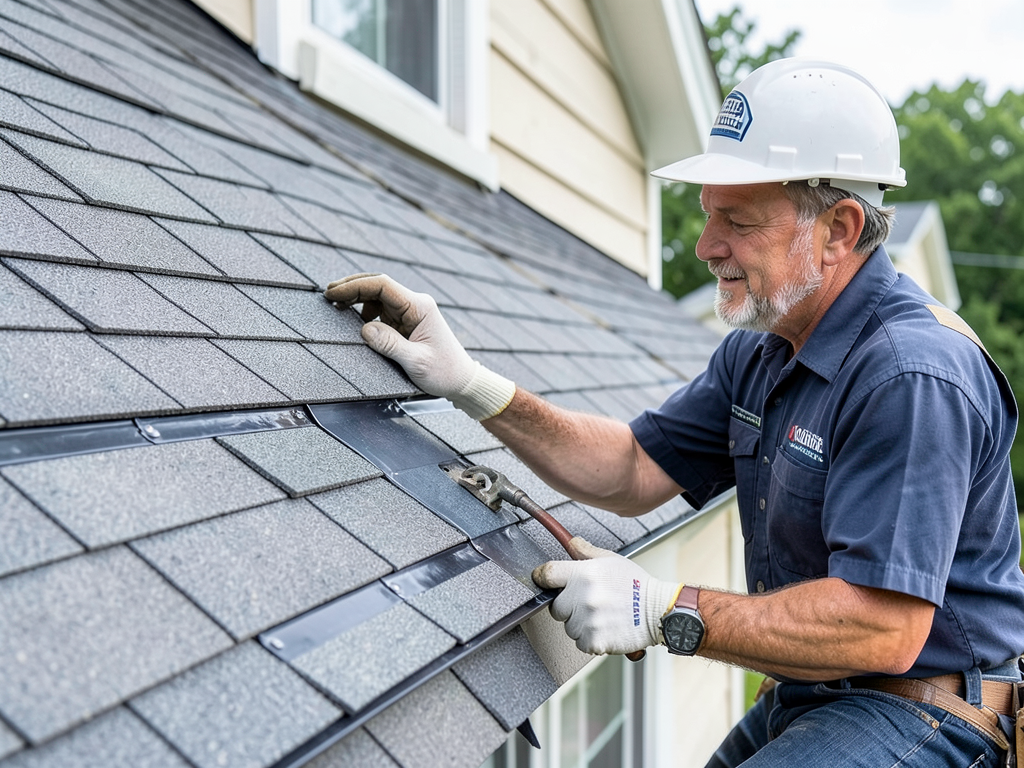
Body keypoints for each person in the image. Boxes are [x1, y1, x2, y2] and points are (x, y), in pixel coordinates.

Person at [325, 58, 1024, 767]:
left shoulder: (911, 375)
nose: (705, 245)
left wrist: (661, 609)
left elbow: (883, 628)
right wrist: (472, 384)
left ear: (839, 230)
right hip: (819, 696)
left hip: (928, 711)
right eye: (707, 213)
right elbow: (631, 467)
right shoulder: (767, 350)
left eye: (737, 220)